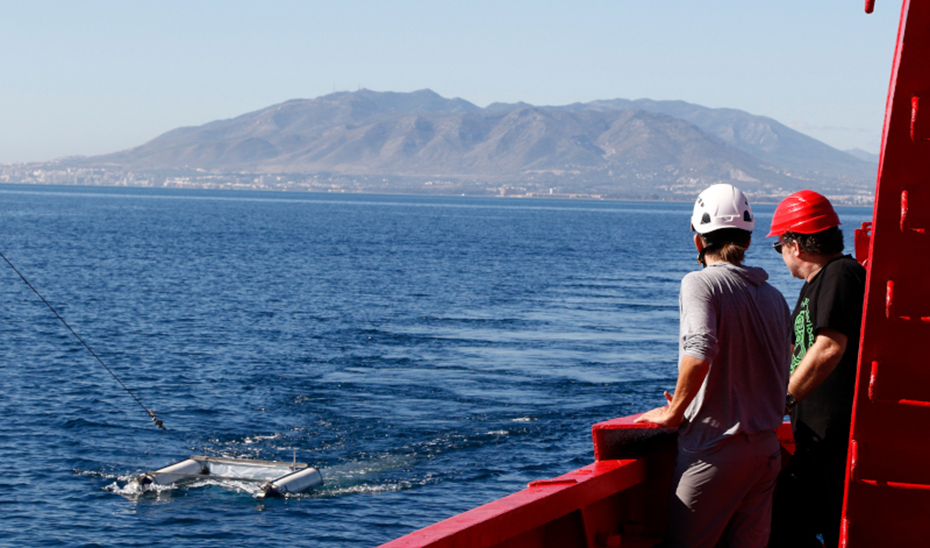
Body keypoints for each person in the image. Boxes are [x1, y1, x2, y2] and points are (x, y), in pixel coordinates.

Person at [636, 183, 791, 548]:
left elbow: (700, 349)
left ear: (698, 241)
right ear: (747, 241)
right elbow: (779, 367)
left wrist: (675, 411)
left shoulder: (699, 284)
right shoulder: (774, 297)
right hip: (765, 452)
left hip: (715, 451)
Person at [767, 190, 866, 548]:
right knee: (782, 522)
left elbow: (828, 347)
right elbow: (796, 352)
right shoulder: (815, 285)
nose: (781, 255)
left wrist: (784, 399)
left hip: (836, 442)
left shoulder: (841, 274)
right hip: (816, 443)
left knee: (785, 522)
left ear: (794, 245)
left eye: (778, 247)